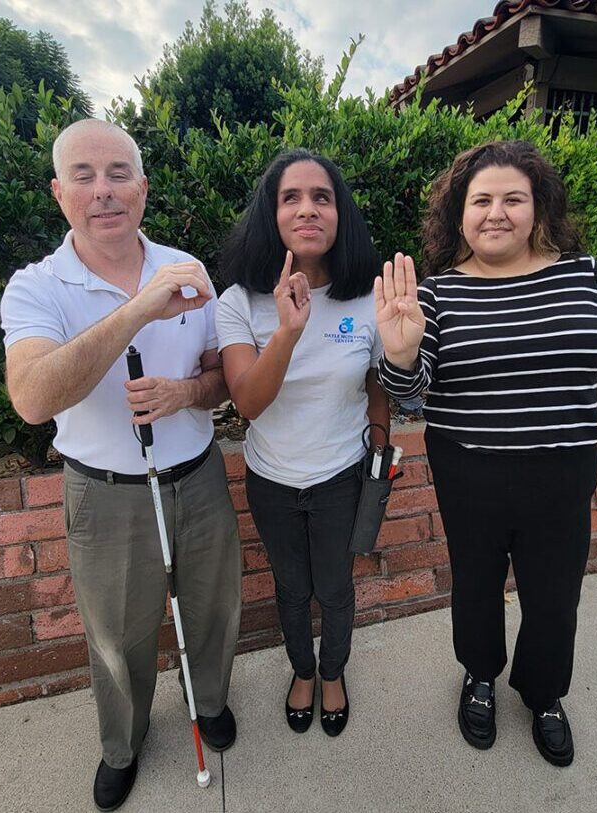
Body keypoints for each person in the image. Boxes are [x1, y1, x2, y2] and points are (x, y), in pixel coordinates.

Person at [0, 119, 241, 811]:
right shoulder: (37, 287)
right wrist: (137, 310)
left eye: (117, 174)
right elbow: (33, 397)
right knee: (116, 636)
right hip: (106, 496)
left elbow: (219, 376)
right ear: (58, 192)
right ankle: (123, 740)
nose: (103, 191)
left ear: (142, 186)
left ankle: (210, 699)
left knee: (213, 609)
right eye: (84, 175)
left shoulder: (184, 266)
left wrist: (188, 392)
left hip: (196, 477)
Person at [375, 140, 597, 766]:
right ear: (459, 214)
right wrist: (402, 353)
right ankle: (479, 675)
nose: (496, 212)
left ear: (537, 207)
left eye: (513, 198)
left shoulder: (586, 275)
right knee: (477, 584)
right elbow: (409, 394)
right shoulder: (436, 295)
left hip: (563, 470)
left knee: (554, 593)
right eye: (480, 199)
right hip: (471, 470)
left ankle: (545, 694)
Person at [215, 149, 389, 737]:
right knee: (292, 588)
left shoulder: (366, 298)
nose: (307, 208)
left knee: (336, 588)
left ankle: (333, 671)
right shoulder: (239, 302)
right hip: (271, 479)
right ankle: (303, 671)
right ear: (271, 213)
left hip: (342, 474)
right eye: (291, 197)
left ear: (340, 215)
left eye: (322, 197)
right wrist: (288, 332)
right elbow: (248, 402)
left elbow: (376, 380)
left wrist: (382, 441)